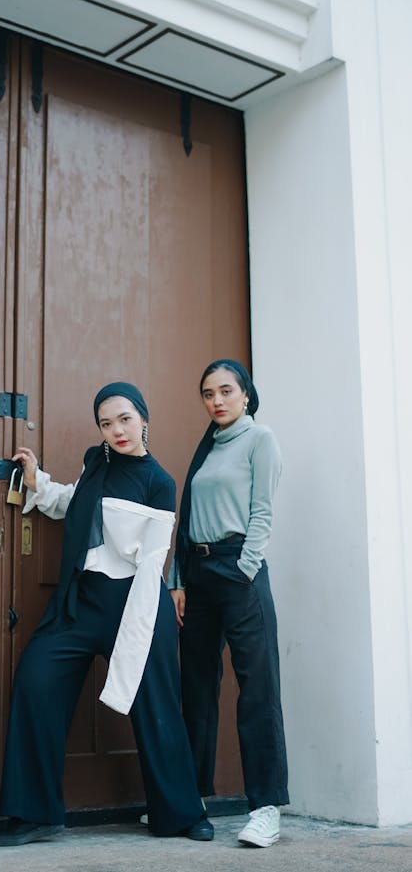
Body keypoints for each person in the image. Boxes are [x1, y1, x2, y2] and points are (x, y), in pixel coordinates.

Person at [0, 382, 213, 847]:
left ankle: (181, 812)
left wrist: (143, 625)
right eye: (107, 423)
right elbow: (80, 505)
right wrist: (39, 484)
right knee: (36, 679)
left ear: (144, 419)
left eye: (125, 419)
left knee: (157, 705)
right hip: (80, 601)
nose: (117, 430)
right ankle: (36, 814)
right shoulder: (97, 461)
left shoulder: (159, 482)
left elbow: (153, 561)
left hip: (135, 602)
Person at [167, 359, 289, 848]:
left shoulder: (260, 440)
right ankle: (192, 798)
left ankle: (265, 808)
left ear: (245, 395)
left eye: (225, 391)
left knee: (257, 686)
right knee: (196, 686)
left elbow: (263, 509)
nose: (216, 400)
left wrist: (246, 566)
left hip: (240, 571)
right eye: (207, 393)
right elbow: (188, 516)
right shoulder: (207, 449)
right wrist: (178, 580)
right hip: (197, 576)